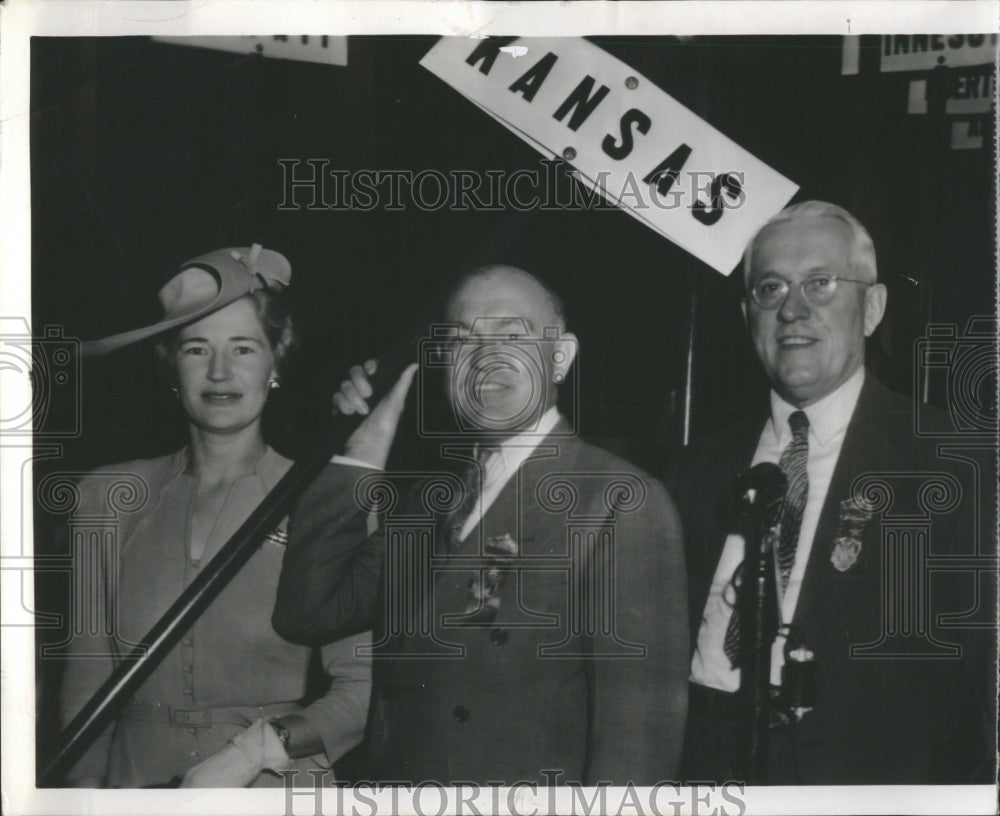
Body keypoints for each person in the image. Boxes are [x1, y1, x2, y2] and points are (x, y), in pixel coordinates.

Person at [273, 265, 688, 786]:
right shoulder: (428, 501)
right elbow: (307, 613)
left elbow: (638, 742)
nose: (485, 357)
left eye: (512, 335)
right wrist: (360, 454)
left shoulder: (616, 500)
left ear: (559, 358)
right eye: (461, 340)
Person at [666, 201, 995, 784]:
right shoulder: (693, 473)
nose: (793, 309)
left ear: (871, 307)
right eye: (770, 288)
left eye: (820, 283)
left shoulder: (959, 464)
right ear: (748, 315)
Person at [59, 245, 371, 788]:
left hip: (272, 789)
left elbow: (364, 688)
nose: (220, 371)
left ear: (279, 354)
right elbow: (87, 682)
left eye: (244, 348)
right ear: (170, 362)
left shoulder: (324, 501)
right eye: (197, 348)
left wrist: (252, 752)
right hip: (133, 792)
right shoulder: (105, 497)